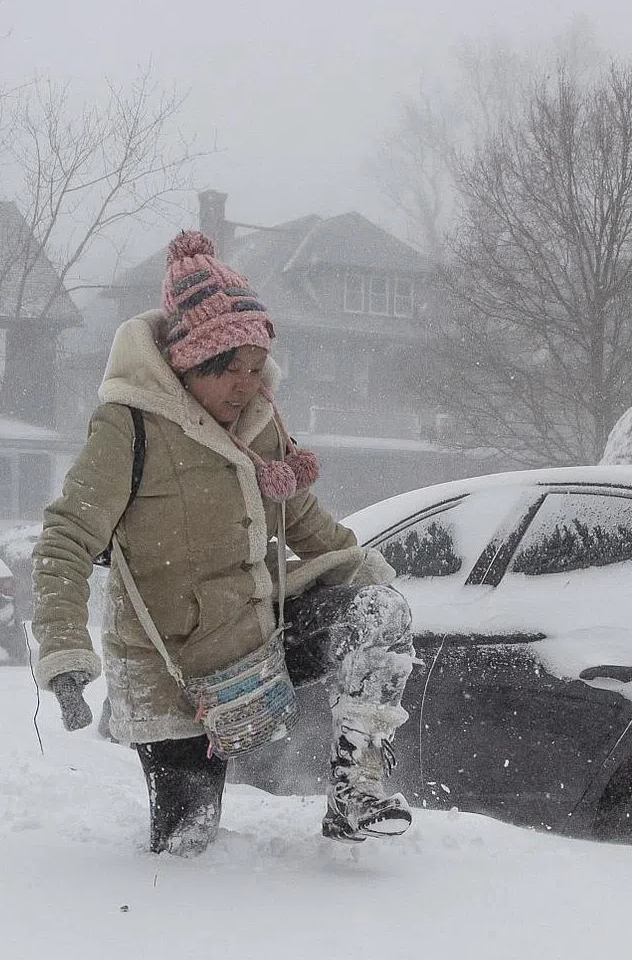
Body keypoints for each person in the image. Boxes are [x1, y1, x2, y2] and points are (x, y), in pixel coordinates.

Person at [32, 229, 416, 855]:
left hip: (260, 640)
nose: (248, 385)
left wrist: (381, 583)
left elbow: (311, 527)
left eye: (256, 366)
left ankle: (359, 789)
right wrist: (66, 653)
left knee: (377, 611)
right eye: (229, 370)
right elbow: (65, 540)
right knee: (189, 848)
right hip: (173, 672)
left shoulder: (261, 427)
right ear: (188, 365)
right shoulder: (129, 426)